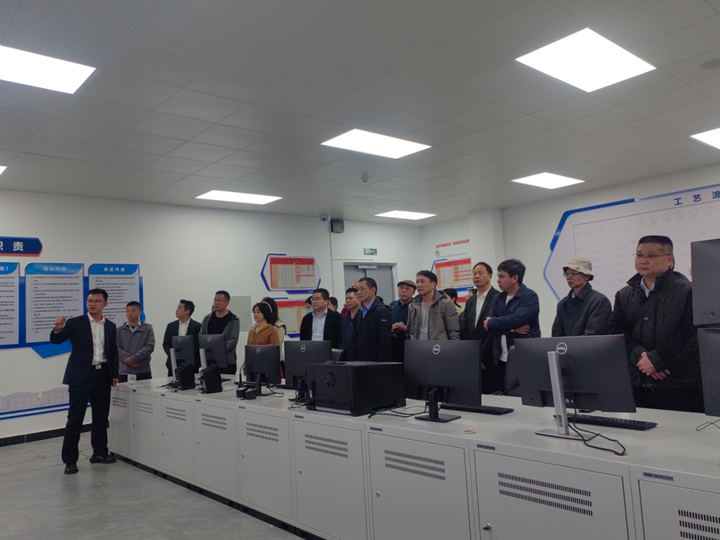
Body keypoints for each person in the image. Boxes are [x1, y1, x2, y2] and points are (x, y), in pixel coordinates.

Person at [608, 235, 702, 412]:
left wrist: (658, 360)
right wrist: (641, 358)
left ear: (669, 260)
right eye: (639, 255)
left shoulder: (688, 291)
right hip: (638, 382)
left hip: (679, 384)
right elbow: (617, 332)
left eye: (651, 256)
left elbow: (692, 334)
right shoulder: (624, 295)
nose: (643, 261)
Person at [50, 288, 119, 475]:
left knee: (100, 418)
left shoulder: (110, 326)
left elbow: (113, 351)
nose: (92, 304)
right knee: (75, 419)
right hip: (80, 377)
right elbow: (57, 340)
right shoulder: (76, 323)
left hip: (102, 375)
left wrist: (115, 374)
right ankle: (70, 460)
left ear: (105, 303)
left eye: (97, 301)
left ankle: (99, 453)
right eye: (90, 301)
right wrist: (58, 328)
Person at [484, 259, 541, 393]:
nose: (498, 280)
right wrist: (511, 328)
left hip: (523, 358)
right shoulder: (498, 298)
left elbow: (517, 319)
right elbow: (488, 324)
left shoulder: (529, 296)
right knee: (500, 396)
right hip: (500, 358)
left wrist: (498, 324)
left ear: (515, 278)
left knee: (522, 395)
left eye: (502, 276)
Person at [462, 262, 500, 394]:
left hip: (491, 357)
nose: (476, 276)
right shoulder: (470, 301)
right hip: (473, 357)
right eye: (474, 274)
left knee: (493, 394)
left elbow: (495, 330)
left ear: (490, 276)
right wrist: (473, 354)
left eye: (480, 273)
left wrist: (481, 355)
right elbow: (466, 328)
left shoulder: (498, 297)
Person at [551, 257, 611, 337]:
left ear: (587, 276)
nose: (568, 277)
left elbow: (594, 335)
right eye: (567, 274)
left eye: (573, 273)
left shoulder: (599, 301)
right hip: (568, 345)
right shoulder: (563, 304)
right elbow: (557, 335)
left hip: (589, 345)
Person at [407, 270, 460, 340]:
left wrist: (452, 346)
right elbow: (409, 331)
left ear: (433, 285)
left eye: (422, 281)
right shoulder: (413, 305)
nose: (419, 285)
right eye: (417, 282)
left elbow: (453, 331)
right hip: (417, 345)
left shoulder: (445, 304)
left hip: (438, 345)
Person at [349, 277, 392, 362]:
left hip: (376, 362)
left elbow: (385, 341)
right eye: (357, 290)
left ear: (373, 290)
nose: (359, 292)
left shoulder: (381, 311)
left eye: (362, 289)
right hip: (361, 361)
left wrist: (382, 363)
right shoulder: (360, 312)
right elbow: (355, 337)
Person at [201, 290, 240, 375]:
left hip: (227, 361)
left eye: (219, 300)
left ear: (227, 303)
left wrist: (218, 350)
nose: (216, 303)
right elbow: (201, 336)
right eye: (215, 300)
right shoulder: (207, 319)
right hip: (209, 360)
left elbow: (233, 340)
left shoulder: (233, 320)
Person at [116, 301, 155, 383]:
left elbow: (150, 346)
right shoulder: (119, 330)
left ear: (139, 312)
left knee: (145, 391)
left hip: (142, 370)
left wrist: (134, 358)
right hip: (124, 371)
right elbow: (116, 348)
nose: (130, 313)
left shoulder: (147, 328)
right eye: (127, 311)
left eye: (133, 311)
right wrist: (129, 360)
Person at [163, 299, 202, 376]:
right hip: (173, 364)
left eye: (179, 308)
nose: (176, 310)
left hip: (191, 365)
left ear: (187, 311)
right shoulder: (171, 326)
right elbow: (166, 343)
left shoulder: (197, 326)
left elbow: (197, 344)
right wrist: (174, 355)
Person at [388, 279, 416, 362]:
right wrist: (391, 327)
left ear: (413, 292)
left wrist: (406, 328)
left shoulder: (416, 307)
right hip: (392, 345)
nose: (403, 291)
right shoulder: (393, 305)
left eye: (407, 289)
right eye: (401, 288)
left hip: (408, 345)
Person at [339, 287, 361, 352]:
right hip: (346, 353)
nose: (348, 301)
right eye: (346, 299)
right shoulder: (344, 318)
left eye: (350, 298)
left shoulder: (364, 317)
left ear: (359, 299)